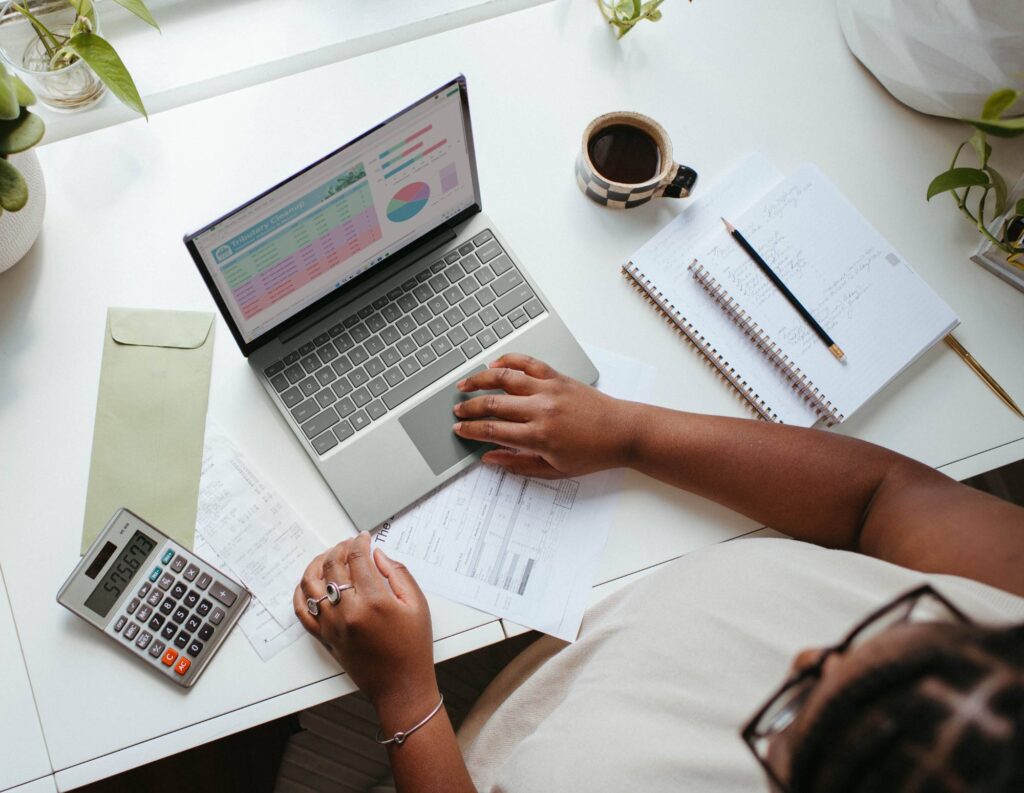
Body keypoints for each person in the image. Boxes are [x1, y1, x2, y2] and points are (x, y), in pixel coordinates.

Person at [293, 354, 1024, 793]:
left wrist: (405, 695)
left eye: (798, 712)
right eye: (899, 624)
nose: (803, 656)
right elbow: (884, 497)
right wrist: (629, 432)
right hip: (588, 629)